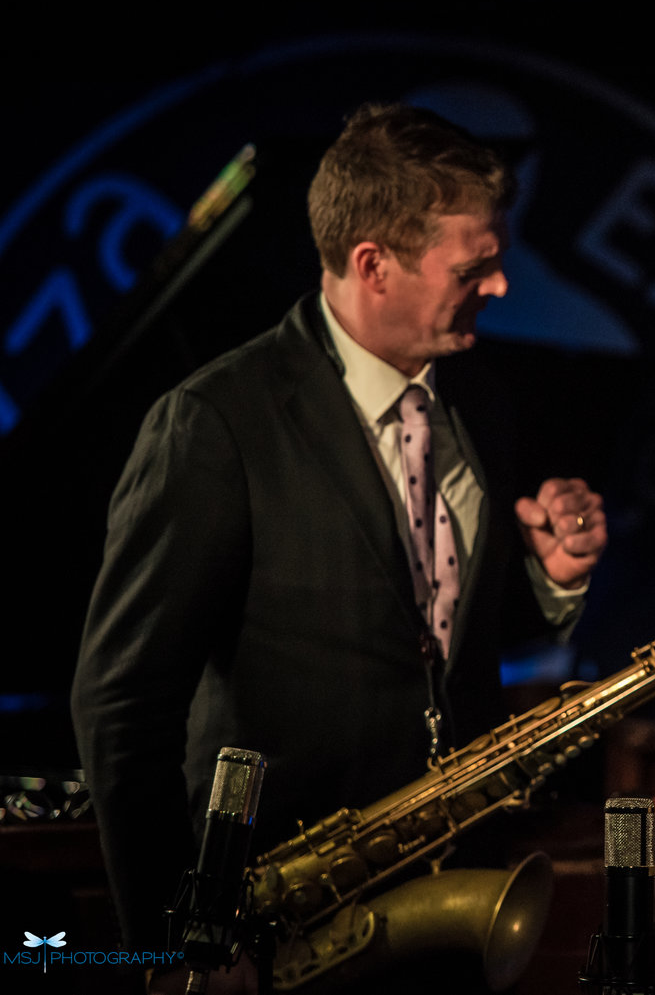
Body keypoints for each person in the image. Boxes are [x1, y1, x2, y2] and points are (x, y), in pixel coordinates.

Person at [70, 103, 607, 979]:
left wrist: (548, 576)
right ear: (372, 264)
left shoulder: (484, 398)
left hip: (450, 906)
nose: (503, 286)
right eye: (474, 267)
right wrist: (177, 946)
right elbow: (121, 706)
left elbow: (427, 636)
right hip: (278, 926)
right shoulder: (214, 423)